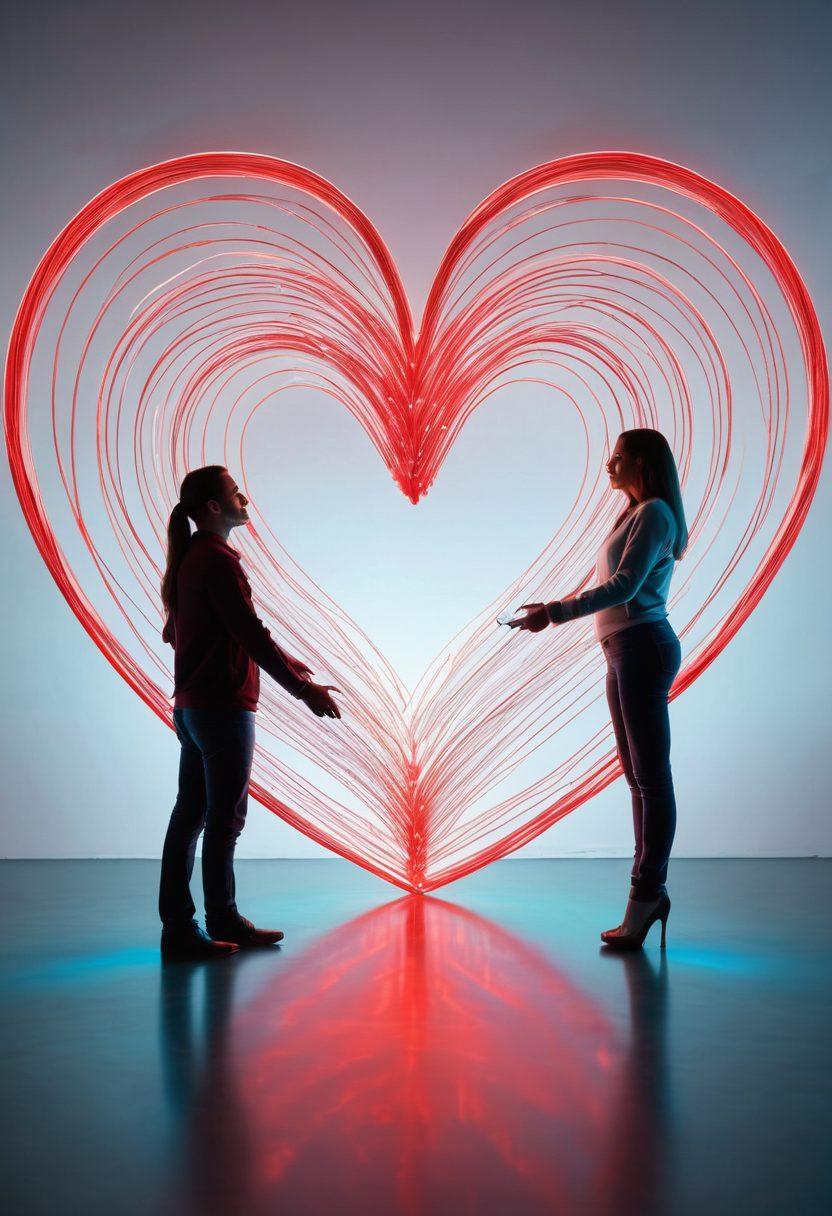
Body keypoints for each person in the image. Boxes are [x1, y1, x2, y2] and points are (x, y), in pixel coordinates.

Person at [512, 429, 687, 950]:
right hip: (621, 650)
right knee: (637, 779)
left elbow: (626, 586)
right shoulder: (635, 513)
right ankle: (645, 898)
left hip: (642, 648)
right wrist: (555, 609)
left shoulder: (655, 512)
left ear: (640, 461)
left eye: (616, 457)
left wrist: (556, 612)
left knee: (650, 780)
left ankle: (646, 895)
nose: (607, 464)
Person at [158, 466, 340, 961]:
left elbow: (206, 633)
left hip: (193, 709)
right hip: (221, 710)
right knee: (223, 819)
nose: (246, 499)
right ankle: (218, 920)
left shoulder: (193, 559)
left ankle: (188, 927)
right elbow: (250, 634)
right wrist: (304, 691)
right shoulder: (216, 562)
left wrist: (297, 669)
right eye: (236, 493)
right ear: (214, 508)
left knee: (191, 816)